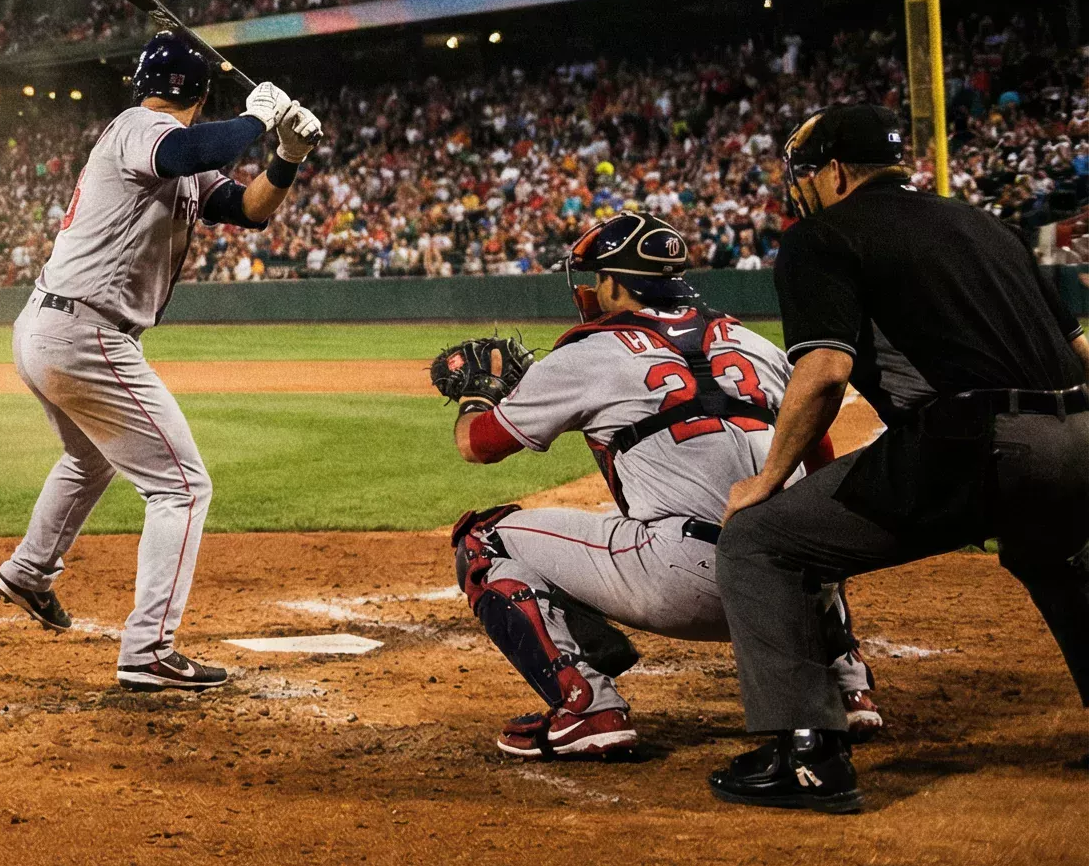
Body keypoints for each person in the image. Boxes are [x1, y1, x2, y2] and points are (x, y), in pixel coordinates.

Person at [713, 104, 1089, 811]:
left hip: (976, 441)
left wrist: (765, 481)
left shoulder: (823, 236)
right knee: (1053, 550)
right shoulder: (987, 224)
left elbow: (823, 372)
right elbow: (1078, 351)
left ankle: (807, 756)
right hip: (1080, 434)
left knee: (761, 542)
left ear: (832, 171)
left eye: (807, 173)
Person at [434, 212, 876, 762]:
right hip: (792, 588)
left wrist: (478, 395)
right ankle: (843, 682)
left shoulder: (589, 352)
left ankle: (585, 707)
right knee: (799, 514)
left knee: (484, 540)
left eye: (596, 277)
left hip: (687, 582)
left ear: (618, 282)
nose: (591, 290)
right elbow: (819, 460)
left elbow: (479, 445)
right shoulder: (755, 343)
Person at [0, 32, 321, 691]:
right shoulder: (140, 128)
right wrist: (257, 116)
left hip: (51, 327)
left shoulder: (176, 156)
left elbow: (247, 210)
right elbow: (191, 147)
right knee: (183, 487)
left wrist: (286, 155)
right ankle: (149, 649)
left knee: (90, 459)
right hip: (87, 333)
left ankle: (29, 571)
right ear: (198, 94)